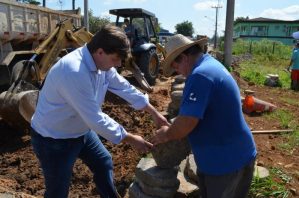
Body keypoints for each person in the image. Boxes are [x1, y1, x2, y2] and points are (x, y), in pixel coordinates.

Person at [30, 24, 169, 198]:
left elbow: (123, 87)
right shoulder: (74, 71)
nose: (118, 64)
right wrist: (131, 138)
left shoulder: (102, 65)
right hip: (54, 139)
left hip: (80, 131)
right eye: (115, 59)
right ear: (100, 51)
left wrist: (153, 112)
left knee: (103, 162)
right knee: (58, 191)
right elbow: (95, 118)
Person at [151, 34, 257, 198]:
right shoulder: (211, 65)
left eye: (175, 66)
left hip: (225, 165)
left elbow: (187, 122)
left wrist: (166, 134)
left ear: (184, 58)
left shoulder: (200, 76)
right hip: (235, 156)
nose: (176, 72)